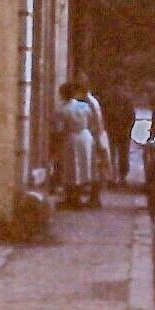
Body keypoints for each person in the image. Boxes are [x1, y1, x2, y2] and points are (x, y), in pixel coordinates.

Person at [53, 82, 96, 209]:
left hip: (71, 138)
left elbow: (59, 128)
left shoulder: (62, 109)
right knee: (83, 167)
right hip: (85, 136)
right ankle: (79, 196)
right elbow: (92, 120)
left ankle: (72, 198)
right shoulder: (83, 106)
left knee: (71, 168)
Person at [76, 72, 110, 202]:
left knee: (95, 168)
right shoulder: (89, 101)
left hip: (94, 138)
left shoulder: (89, 102)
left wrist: (94, 137)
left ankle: (94, 198)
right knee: (92, 168)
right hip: (94, 136)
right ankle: (93, 197)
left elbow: (95, 122)